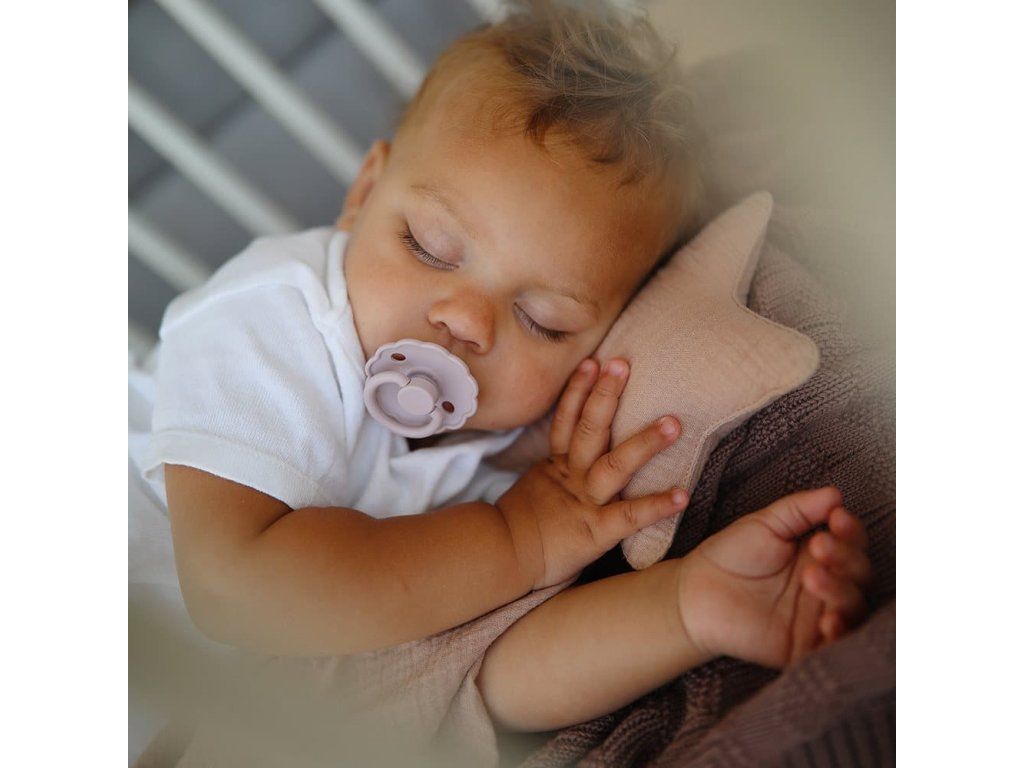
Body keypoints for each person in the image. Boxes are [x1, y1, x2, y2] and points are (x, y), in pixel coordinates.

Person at [128, 0, 870, 742]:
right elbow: (232, 587)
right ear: (363, 193)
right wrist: (515, 541)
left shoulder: (514, 456)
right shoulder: (275, 315)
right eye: (427, 246)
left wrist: (686, 607)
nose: (468, 321)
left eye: (542, 319)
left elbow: (474, 673)